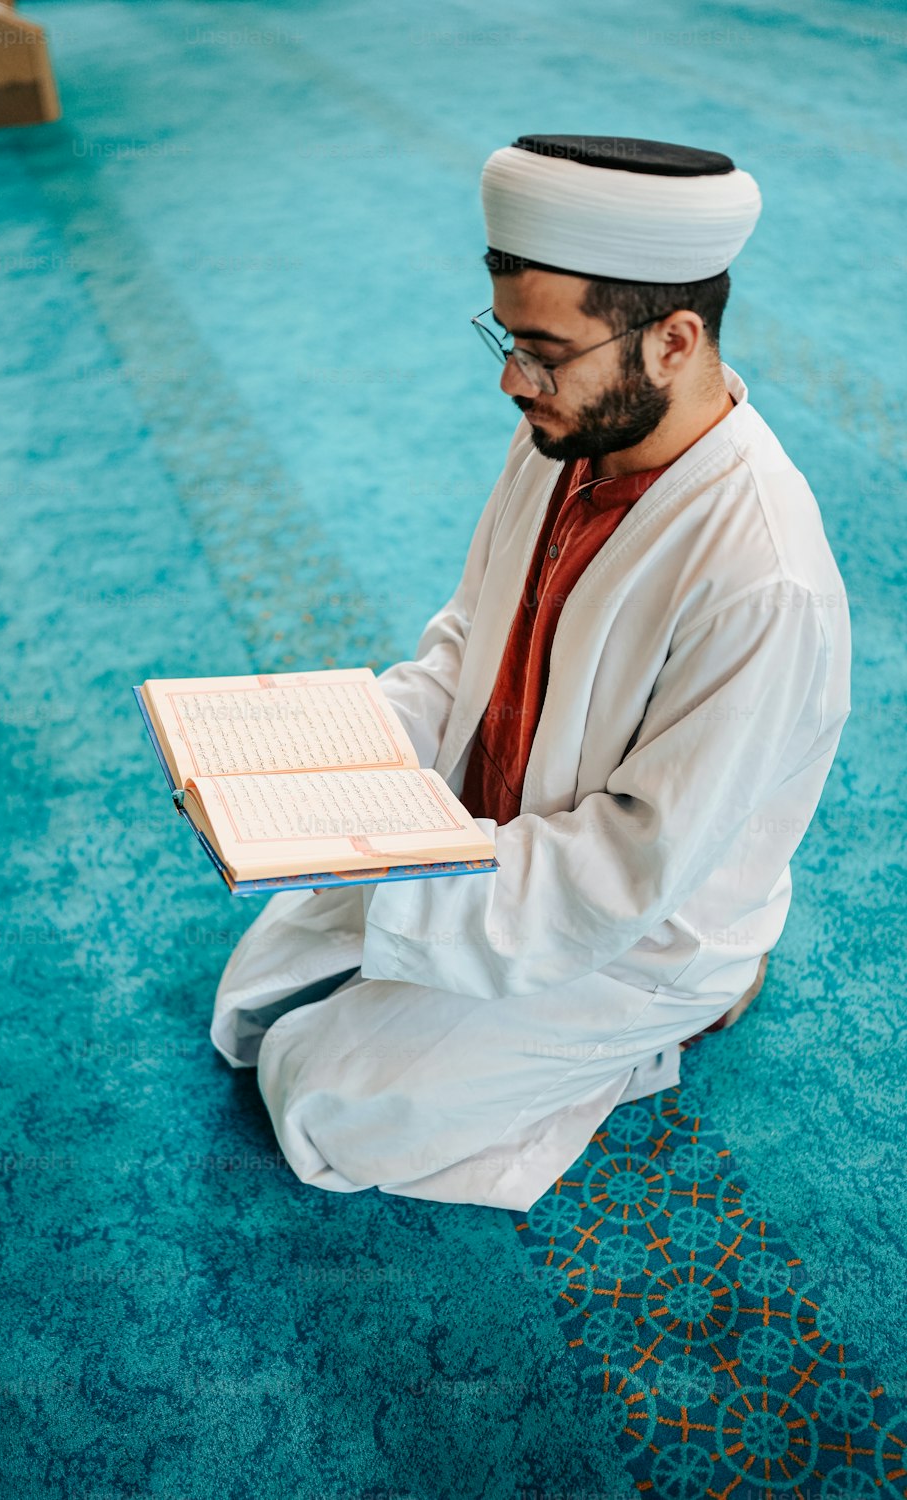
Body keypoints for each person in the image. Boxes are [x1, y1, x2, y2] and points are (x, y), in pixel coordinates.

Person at [210, 134, 851, 1213]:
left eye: (543, 352)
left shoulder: (763, 579)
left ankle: (683, 1014)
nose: (514, 382)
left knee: (326, 1102)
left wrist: (410, 900)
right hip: (493, 838)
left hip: (638, 931)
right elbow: (471, 641)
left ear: (672, 341)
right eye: (505, 341)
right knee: (253, 1005)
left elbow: (629, 868)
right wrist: (344, 750)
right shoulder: (571, 430)